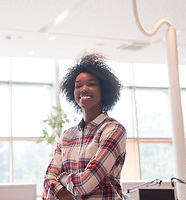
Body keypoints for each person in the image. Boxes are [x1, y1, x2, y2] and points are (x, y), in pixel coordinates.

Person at [43, 53, 127, 200]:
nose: (84, 89)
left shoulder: (113, 130)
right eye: (78, 85)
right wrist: (64, 191)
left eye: (92, 84)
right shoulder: (67, 135)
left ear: (104, 90)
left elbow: (86, 183)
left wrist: (63, 179)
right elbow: (48, 180)